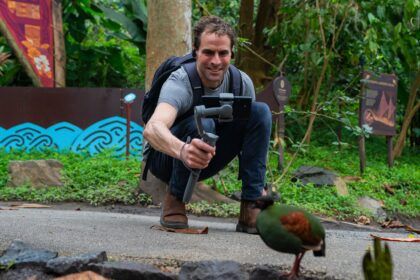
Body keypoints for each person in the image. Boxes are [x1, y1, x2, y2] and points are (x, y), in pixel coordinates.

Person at [143, 16, 272, 234]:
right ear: (195, 52)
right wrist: (183, 151)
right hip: (167, 159)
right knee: (201, 120)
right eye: (208, 52)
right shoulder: (180, 81)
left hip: (210, 154)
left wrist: (260, 185)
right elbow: (153, 128)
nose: (215, 61)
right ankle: (174, 199)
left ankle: (251, 207)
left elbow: (253, 136)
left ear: (232, 54)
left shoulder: (241, 83)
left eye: (223, 53)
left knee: (260, 112)